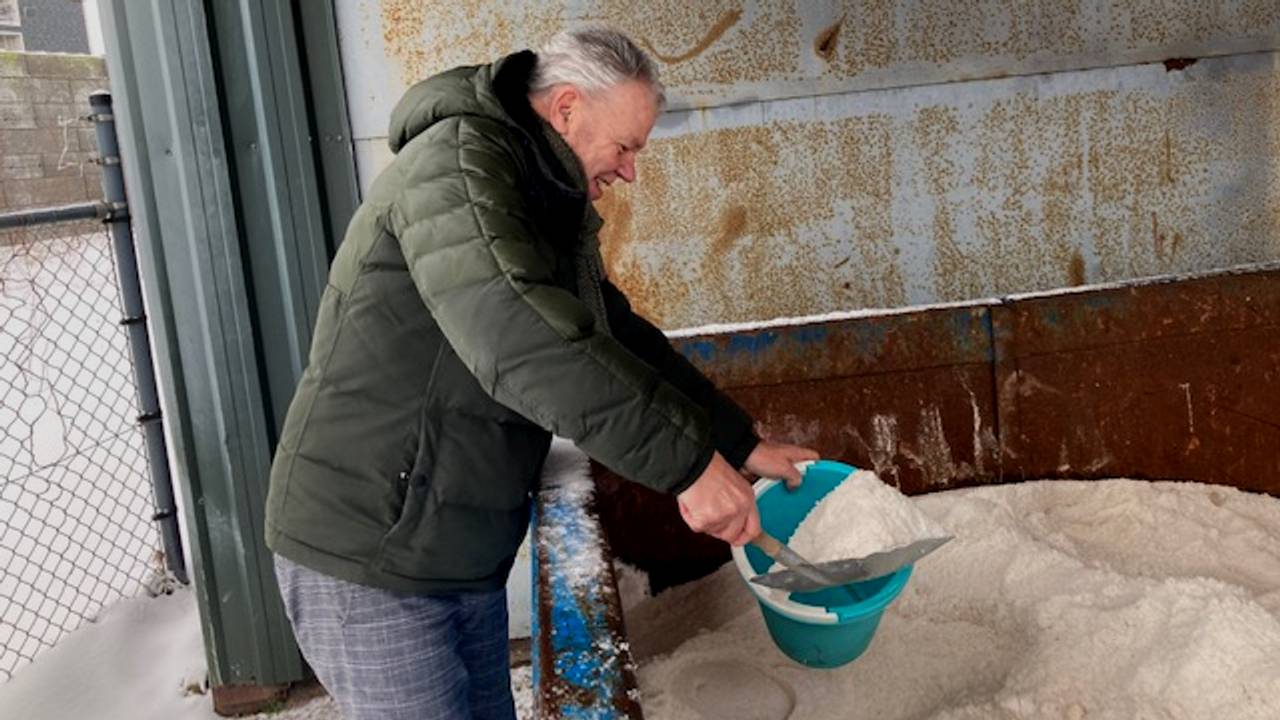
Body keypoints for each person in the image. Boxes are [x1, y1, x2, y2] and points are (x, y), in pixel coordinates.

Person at [264, 27, 817, 720]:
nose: (629, 171)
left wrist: (735, 442)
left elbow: (613, 337)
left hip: (453, 547)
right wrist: (687, 468)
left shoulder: (536, 194)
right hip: (372, 549)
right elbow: (521, 336)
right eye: (625, 147)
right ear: (565, 109)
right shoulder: (457, 169)